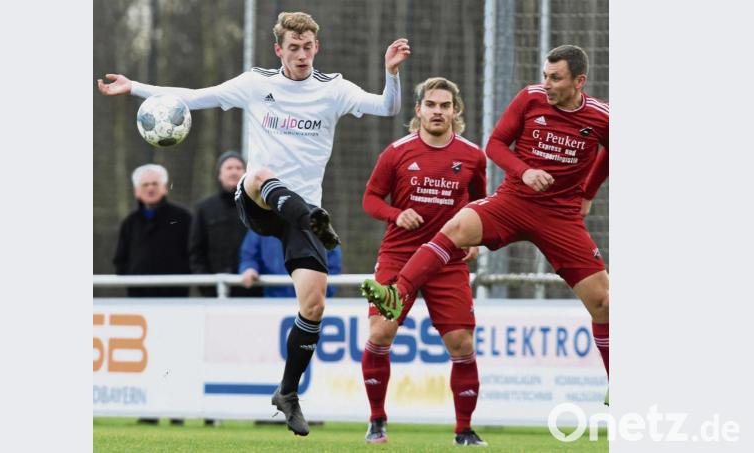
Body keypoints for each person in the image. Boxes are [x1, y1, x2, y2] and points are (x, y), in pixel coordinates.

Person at [98, 11, 410, 436]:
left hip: (302, 216)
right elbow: (192, 96)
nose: (301, 55)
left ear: (317, 47)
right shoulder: (256, 83)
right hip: (261, 201)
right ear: (279, 49)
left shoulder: (333, 89)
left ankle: (287, 392)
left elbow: (387, 106)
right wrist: (134, 87)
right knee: (260, 174)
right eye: (293, 48)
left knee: (313, 303)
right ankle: (310, 218)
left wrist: (391, 74)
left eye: (308, 47)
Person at [361, 45, 610, 404]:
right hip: (513, 200)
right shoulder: (530, 99)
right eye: (544, 75)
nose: (546, 84)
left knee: (603, 302)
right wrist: (524, 171)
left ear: (579, 81)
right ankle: (396, 293)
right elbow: (496, 144)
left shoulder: (603, 117)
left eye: (555, 78)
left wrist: (587, 192)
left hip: (561, 215)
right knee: (457, 227)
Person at [358, 77, 488, 446]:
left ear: (455, 111)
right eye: (431, 105)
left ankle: (464, 430)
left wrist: (476, 235)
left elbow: (482, 202)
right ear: (418, 110)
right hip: (399, 254)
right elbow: (370, 199)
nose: (438, 111)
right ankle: (377, 420)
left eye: (445, 106)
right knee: (380, 332)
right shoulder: (396, 152)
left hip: (447, 259)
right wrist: (396, 214)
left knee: (461, 343)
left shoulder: (472, 155)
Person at [189, 150, 262, 299]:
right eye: (229, 168)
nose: (234, 172)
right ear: (219, 175)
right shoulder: (204, 208)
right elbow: (196, 252)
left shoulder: (259, 206)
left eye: (238, 168)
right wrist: (207, 285)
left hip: (253, 290)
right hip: (215, 292)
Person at [113, 164, 192, 298]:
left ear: (165, 188)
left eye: (155, 184)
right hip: (138, 298)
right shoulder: (129, 223)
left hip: (175, 297)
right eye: (145, 185)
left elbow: (193, 254)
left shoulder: (183, 218)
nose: (150, 188)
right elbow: (120, 260)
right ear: (136, 191)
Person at [239, 231, 342, 298]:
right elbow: (249, 256)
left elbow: (333, 265)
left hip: (313, 305)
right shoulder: (262, 224)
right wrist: (249, 268)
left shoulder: (319, 224)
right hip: (273, 304)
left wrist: (322, 291)